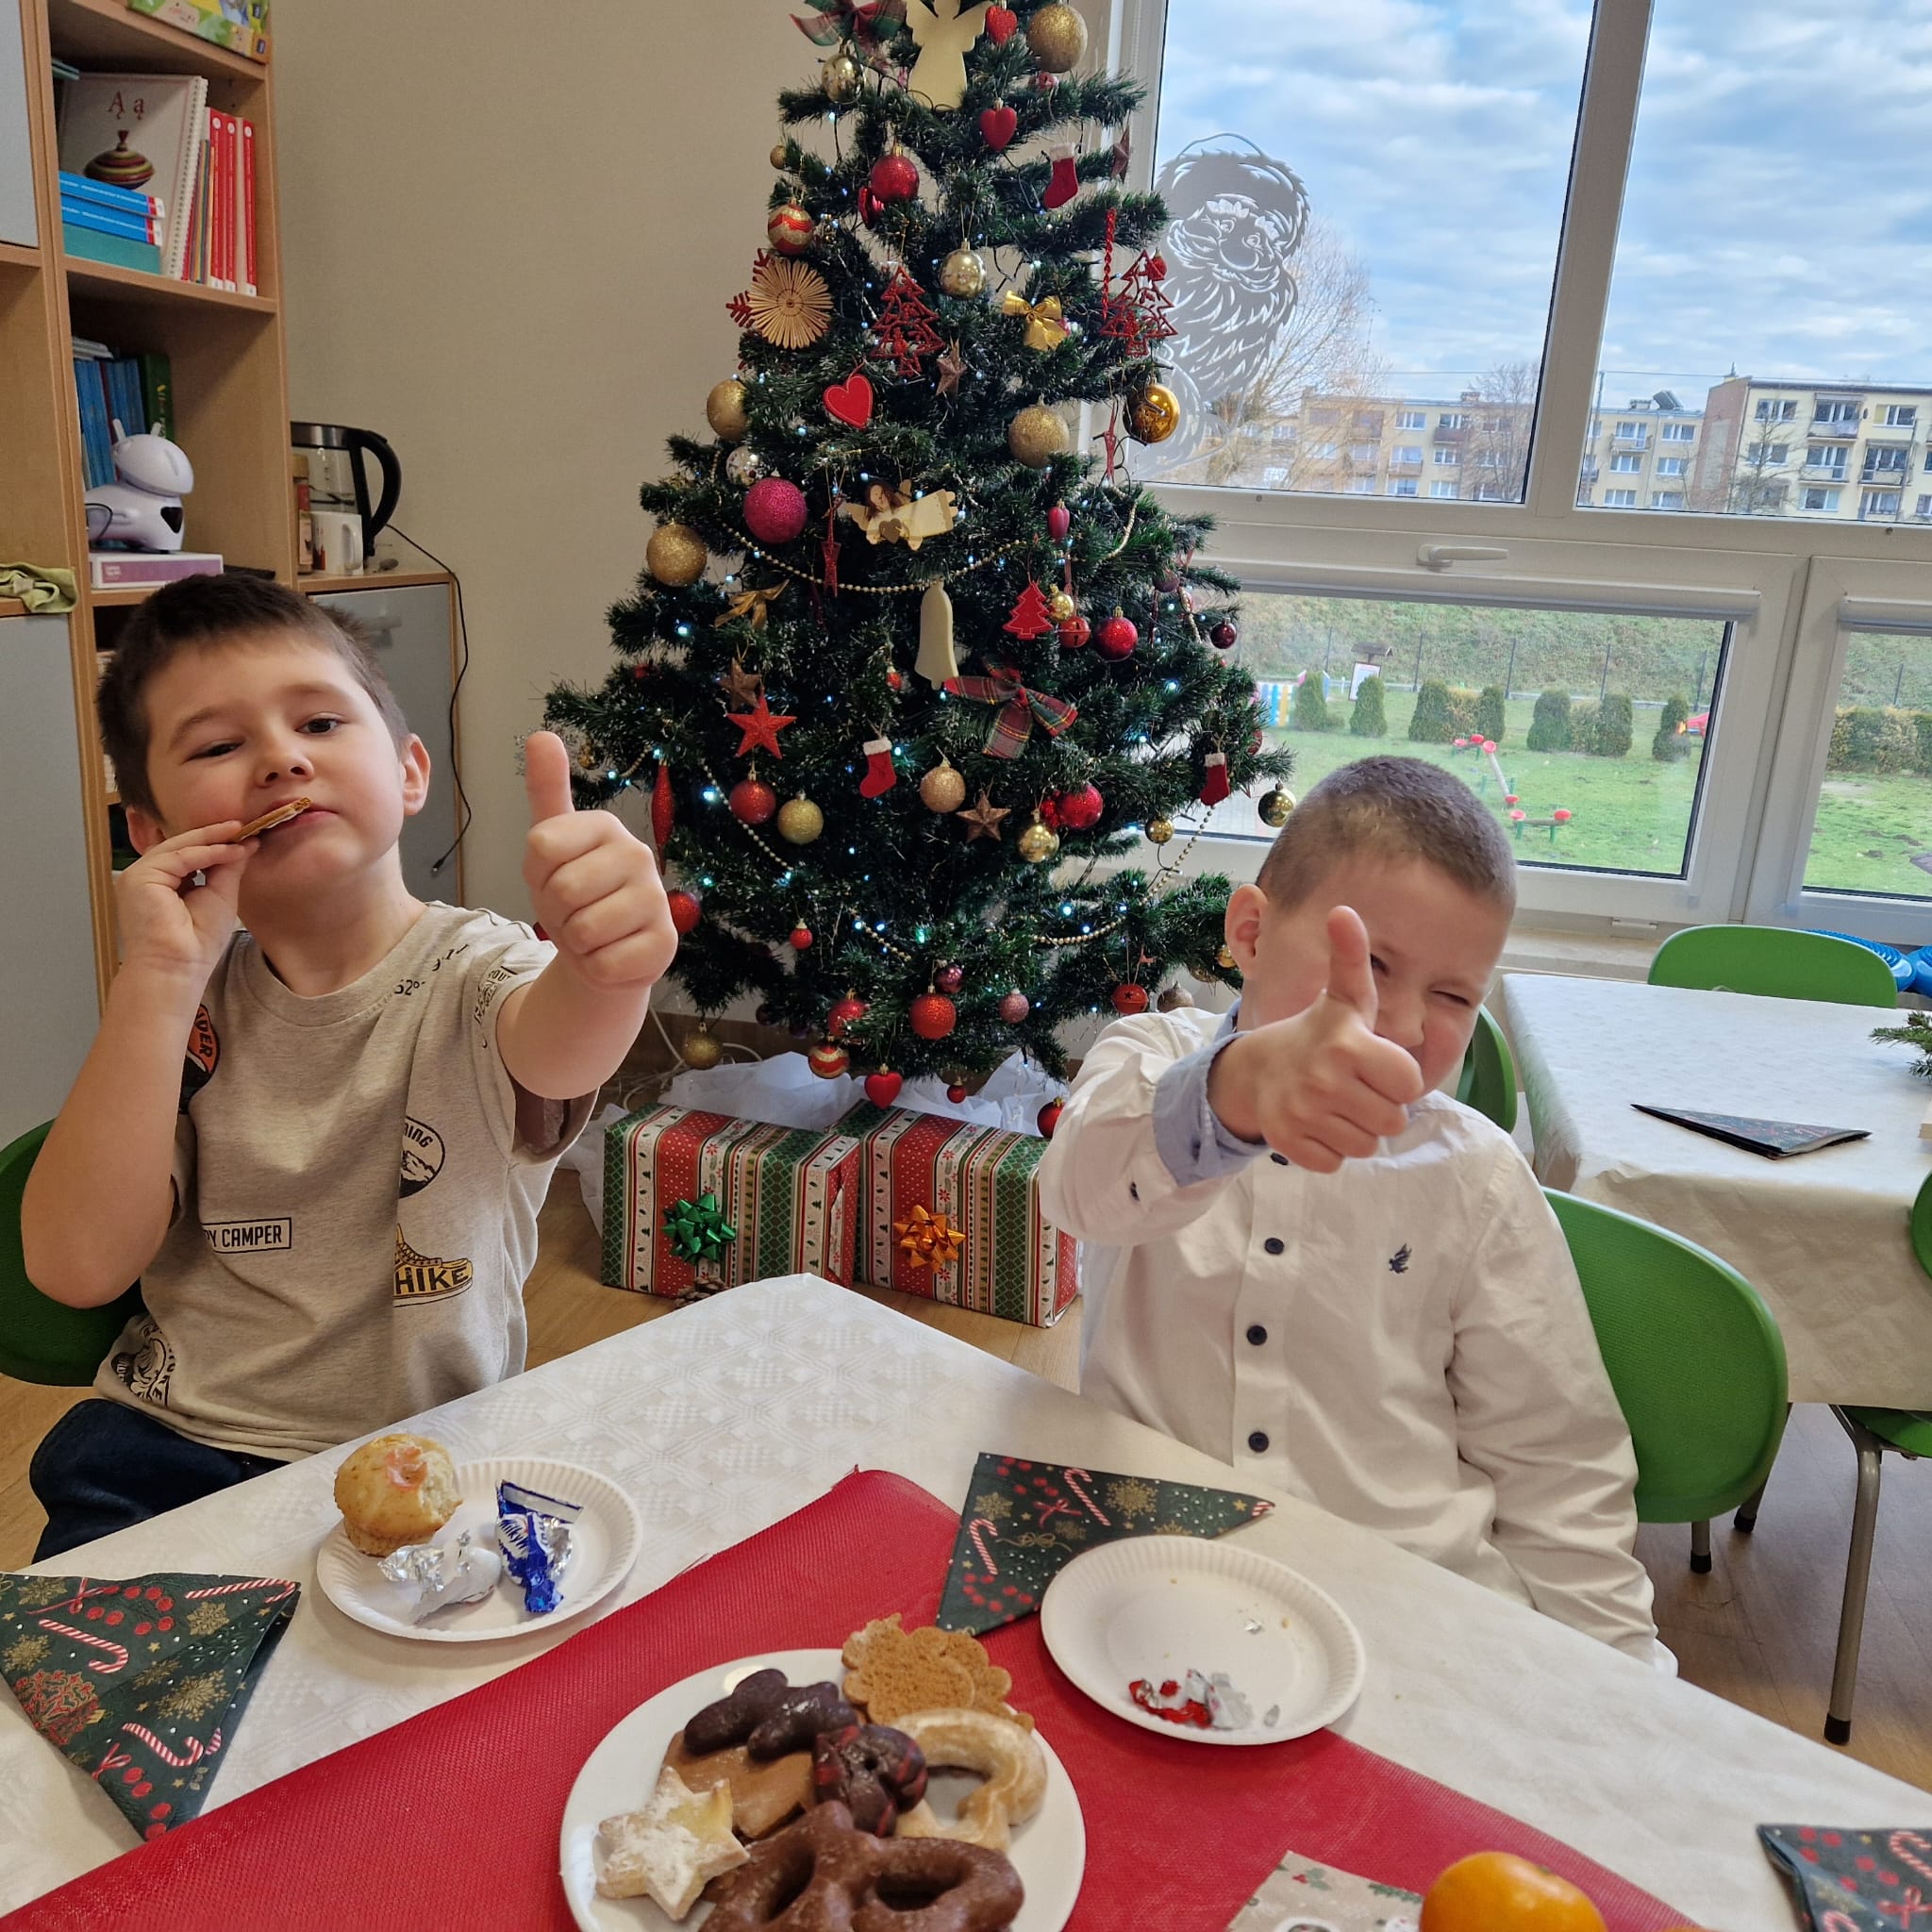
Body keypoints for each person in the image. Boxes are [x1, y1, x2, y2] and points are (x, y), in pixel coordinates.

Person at [23, 575, 675, 1559]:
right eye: (217, 745)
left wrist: (605, 971)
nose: (281, 759)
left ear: (409, 772)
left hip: (426, 1454)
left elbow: (559, 1042)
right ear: (153, 833)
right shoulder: (178, 1003)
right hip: (163, 1452)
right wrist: (157, 979)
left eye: (320, 722)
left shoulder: (481, 969)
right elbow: (74, 1267)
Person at [1037, 756, 1665, 1664]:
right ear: (1251, 934)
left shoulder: (1479, 1177)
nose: (1402, 1026)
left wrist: (1618, 1678)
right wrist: (1234, 1097)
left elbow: (1559, 1468)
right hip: (1147, 1576)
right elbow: (1079, 1191)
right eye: (1368, 965)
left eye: (1453, 996)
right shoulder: (1146, 1058)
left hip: (1402, 1604)